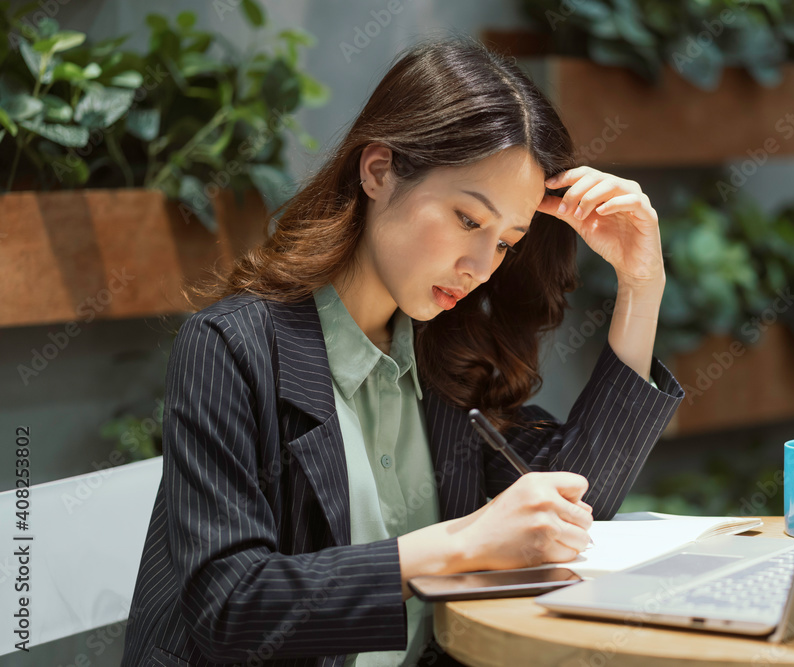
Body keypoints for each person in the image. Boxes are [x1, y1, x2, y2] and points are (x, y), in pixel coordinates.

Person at [121, 36, 684, 667]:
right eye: (469, 220)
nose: (479, 267)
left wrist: (642, 284)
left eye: (505, 243)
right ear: (379, 170)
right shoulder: (232, 348)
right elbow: (230, 608)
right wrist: (462, 543)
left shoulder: (445, 355)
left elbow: (575, 507)